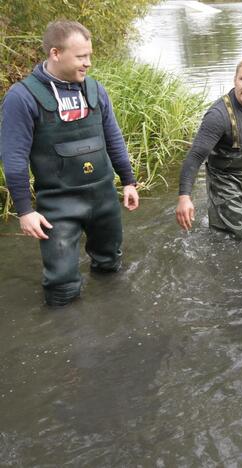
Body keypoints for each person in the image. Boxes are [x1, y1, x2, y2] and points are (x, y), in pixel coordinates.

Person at [0, 20, 139, 307]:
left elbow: (113, 138)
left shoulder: (95, 90)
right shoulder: (22, 97)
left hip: (104, 199)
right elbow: (14, 159)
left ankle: (115, 319)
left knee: (110, 266)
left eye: (89, 55)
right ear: (55, 53)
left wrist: (128, 181)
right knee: (61, 286)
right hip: (58, 207)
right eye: (81, 57)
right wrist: (25, 211)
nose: (88, 63)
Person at [176, 58, 242, 236]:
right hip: (223, 181)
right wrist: (184, 197)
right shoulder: (218, 115)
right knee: (234, 237)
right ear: (235, 80)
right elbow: (195, 156)